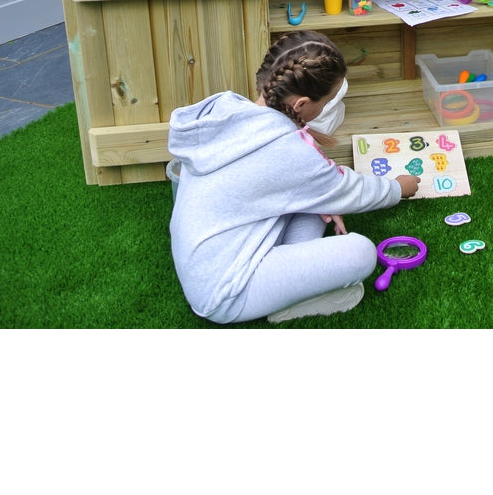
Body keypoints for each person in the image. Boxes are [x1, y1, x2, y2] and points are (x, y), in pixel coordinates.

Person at [168, 30, 420, 324]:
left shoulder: (231, 113)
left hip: (209, 262)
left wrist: (326, 198)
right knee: (362, 252)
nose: (325, 109)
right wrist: (399, 187)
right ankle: (290, 296)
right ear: (301, 104)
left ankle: (291, 280)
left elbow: (321, 186)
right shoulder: (286, 149)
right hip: (226, 293)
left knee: (316, 204)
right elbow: (349, 189)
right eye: (325, 103)